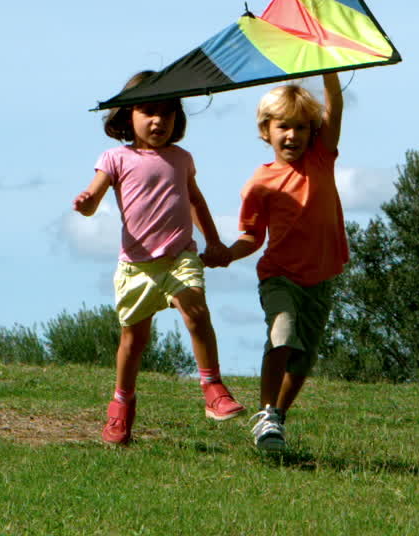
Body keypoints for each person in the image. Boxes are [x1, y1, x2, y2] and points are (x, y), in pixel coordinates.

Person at [73, 70, 244, 446]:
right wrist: (86, 205)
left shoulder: (181, 158)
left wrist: (213, 241)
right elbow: (94, 196)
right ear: (126, 116)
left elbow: (195, 200)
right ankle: (121, 407)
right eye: (148, 111)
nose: (158, 120)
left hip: (179, 256)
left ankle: (213, 388)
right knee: (133, 341)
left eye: (167, 113)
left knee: (196, 312)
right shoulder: (115, 158)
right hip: (137, 267)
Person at [212, 73, 348, 452]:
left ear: (313, 131)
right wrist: (227, 254)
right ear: (266, 131)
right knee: (283, 335)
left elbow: (334, 106)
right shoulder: (261, 182)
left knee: (302, 362)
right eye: (283, 127)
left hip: (319, 280)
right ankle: (265, 413)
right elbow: (252, 236)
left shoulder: (321, 157)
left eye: (301, 127)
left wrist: (329, 70)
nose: (293, 135)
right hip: (280, 276)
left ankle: (277, 419)